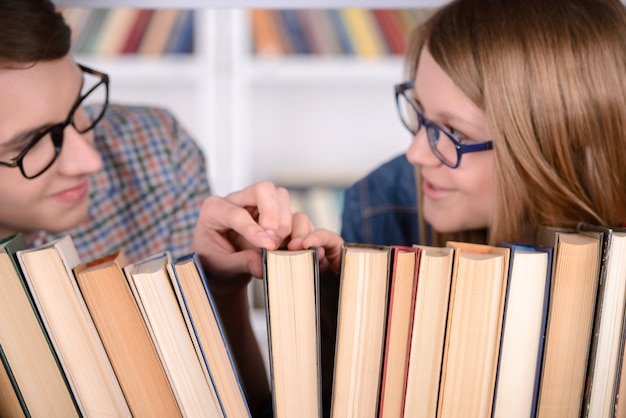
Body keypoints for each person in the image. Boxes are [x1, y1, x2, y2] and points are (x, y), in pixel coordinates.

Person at [0, 1, 341, 416]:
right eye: (30, 143)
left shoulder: (157, 150)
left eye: (78, 108)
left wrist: (221, 287)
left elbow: (235, 404)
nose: (88, 159)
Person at [341, 0, 626, 252]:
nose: (416, 154)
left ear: (551, 149)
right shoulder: (381, 208)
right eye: (420, 111)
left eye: (455, 132)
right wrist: (328, 292)